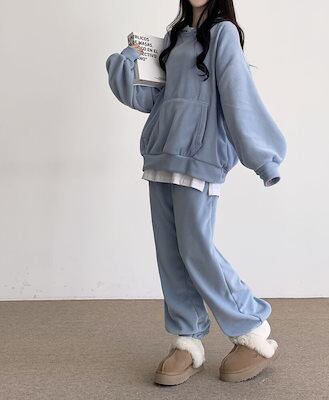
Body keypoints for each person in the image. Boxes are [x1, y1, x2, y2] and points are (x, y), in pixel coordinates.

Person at [106, 0, 287, 385]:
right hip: (162, 154)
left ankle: (251, 328)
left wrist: (264, 158)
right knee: (170, 253)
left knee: (196, 248)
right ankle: (187, 340)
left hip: (199, 157)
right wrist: (129, 58)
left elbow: (239, 97)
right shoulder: (174, 37)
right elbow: (152, 100)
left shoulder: (223, 34)